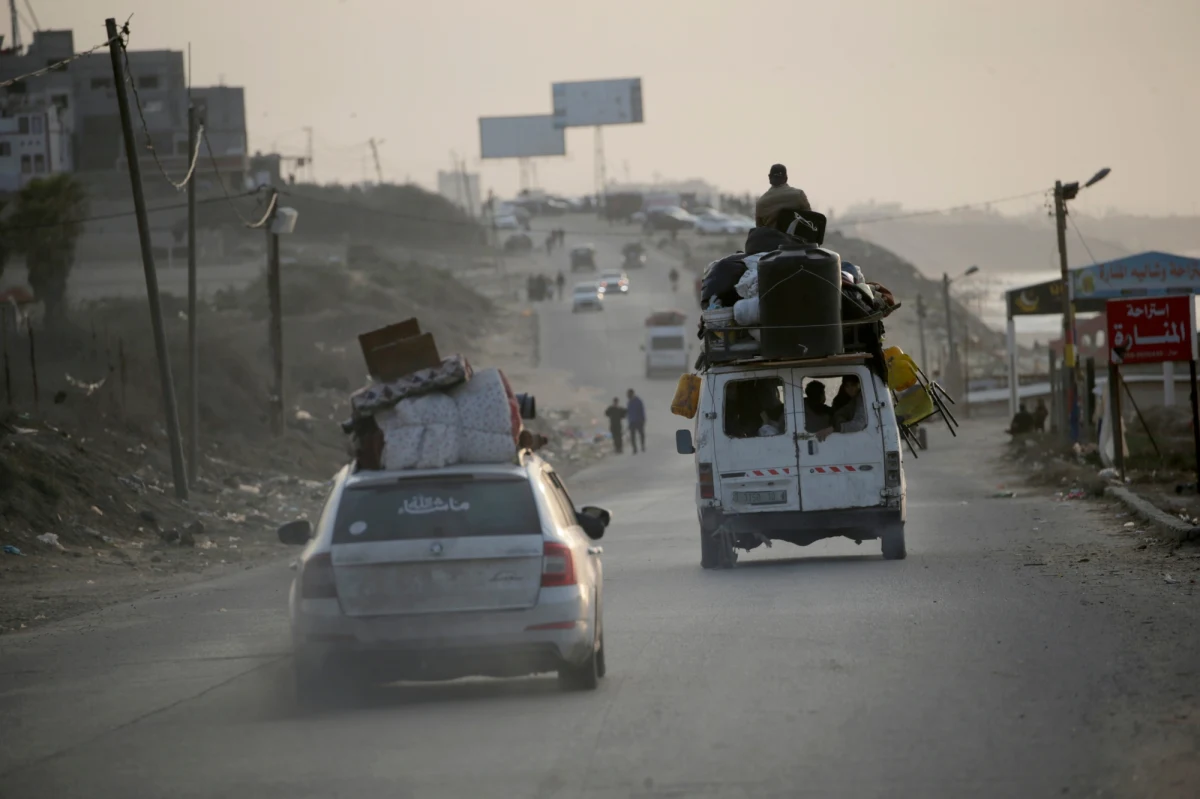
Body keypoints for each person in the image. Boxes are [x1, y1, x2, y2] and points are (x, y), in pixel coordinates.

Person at [755, 164, 812, 229]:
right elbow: (811, 220)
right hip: (794, 235)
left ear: (769, 177)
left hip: (771, 235)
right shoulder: (798, 195)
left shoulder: (760, 203)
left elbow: (759, 229)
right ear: (786, 178)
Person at [815, 375, 867, 441]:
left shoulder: (863, 398)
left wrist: (836, 428)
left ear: (859, 385)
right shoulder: (853, 400)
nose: (850, 389)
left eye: (853, 385)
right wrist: (839, 419)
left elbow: (859, 424)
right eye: (847, 386)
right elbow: (841, 412)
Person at [626, 388, 646, 454]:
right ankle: (634, 449)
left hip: (639, 421)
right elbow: (629, 413)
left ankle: (642, 446)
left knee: (641, 434)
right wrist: (629, 421)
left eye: (629, 394)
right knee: (632, 436)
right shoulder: (629, 402)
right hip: (632, 422)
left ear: (632, 394)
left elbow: (642, 411)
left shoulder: (638, 401)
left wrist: (643, 419)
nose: (628, 396)